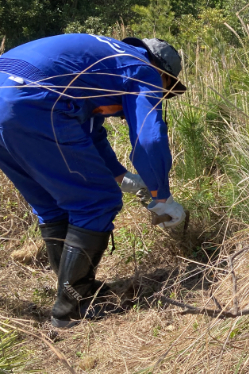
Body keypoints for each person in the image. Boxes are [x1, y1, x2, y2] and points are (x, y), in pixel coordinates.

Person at [0, 34, 187, 328]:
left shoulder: (104, 57)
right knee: (97, 202)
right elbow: (148, 140)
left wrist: (120, 175)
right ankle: (73, 307)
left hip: (12, 95)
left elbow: (88, 130)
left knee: (53, 206)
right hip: (33, 101)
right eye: (166, 90)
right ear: (162, 72)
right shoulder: (142, 69)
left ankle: (71, 291)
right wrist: (161, 196)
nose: (162, 95)